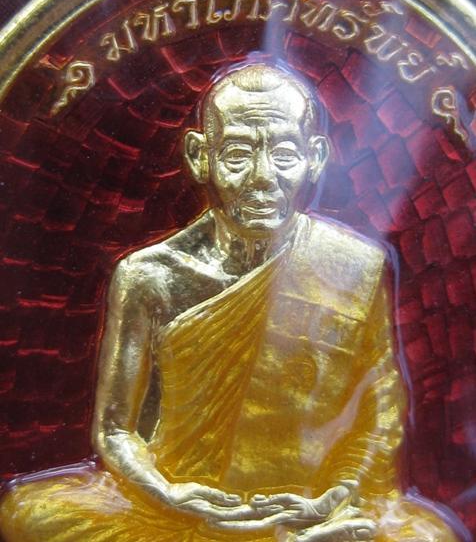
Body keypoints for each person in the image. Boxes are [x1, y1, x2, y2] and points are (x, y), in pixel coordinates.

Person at [0, 63, 457, 542]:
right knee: (28, 511)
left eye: (285, 154)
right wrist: (169, 493)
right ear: (201, 157)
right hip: (182, 506)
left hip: (306, 506)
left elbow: (380, 416)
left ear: (316, 157)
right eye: (238, 154)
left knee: (428, 537)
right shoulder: (150, 275)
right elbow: (115, 431)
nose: (263, 178)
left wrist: (330, 499)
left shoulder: (354, 266)